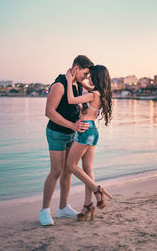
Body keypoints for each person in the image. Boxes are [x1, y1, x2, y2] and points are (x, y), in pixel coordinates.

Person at [39, 55, 94, 226]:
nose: (86, 77)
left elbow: (88, 88)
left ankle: (63, 208)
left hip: (72, 133)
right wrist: (73, 125)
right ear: (76, 69)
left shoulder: (75, 83)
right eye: (85, 73)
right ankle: (45, 211)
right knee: (56, 171)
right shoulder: (59, 85)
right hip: (56, 133)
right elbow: (49, 112)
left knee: (68, 172)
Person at [66, 65, 113, 221]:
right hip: (93, 131)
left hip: (85, 131)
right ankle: (88, 206)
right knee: (87, 169)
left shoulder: (93, 95)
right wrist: (80, 81)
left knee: (70, 165)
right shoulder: (101, 93)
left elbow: (71, 99)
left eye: (91, 76)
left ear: (97, 78)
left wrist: (68, 81)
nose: (88, 78)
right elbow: (88, 87)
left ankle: (96, 189)